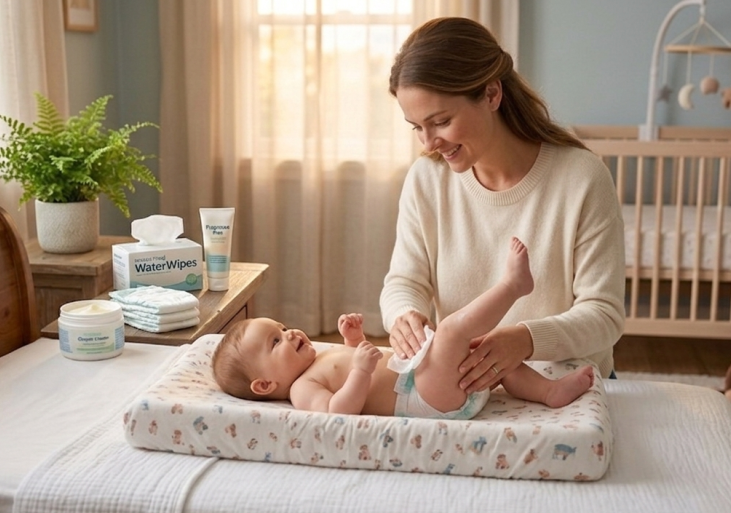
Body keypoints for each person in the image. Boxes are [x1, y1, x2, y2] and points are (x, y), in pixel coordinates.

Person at [381, 16, 625, 395]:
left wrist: (525, 340)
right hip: (468, 391)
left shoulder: (582, 177)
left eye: (441, 121)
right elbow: (404, 282)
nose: (428, 143)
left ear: (492, 95)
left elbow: (604, 315)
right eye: (416, 127)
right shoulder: (426, 180)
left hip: (568, 386)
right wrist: (404, 316)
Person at [212, 238, 595, 417]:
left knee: (489, 352)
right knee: (449, 333)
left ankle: (549, 392)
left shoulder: (318, 360)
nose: (291, 332)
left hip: (424, 379)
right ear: (263, 385)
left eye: (282, 326)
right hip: (424, 399)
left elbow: (362, 362)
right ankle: (513, 287)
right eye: (275, 340)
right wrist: (360, 371)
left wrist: (353, 340)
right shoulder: (300, 389)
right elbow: (338, 411)